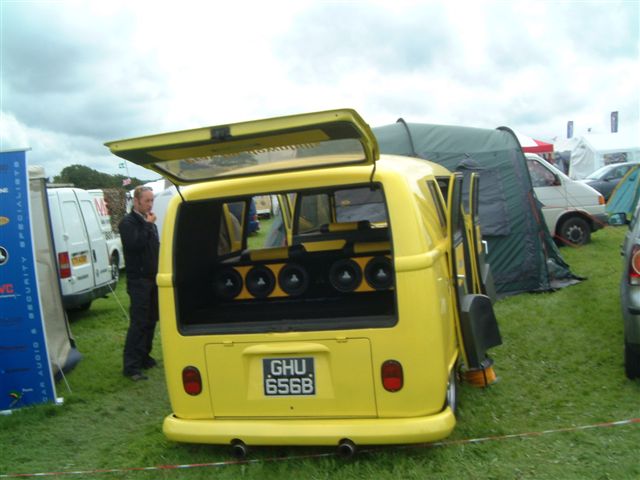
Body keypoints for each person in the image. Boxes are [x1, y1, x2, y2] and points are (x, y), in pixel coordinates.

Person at [119, 185, 160, 381]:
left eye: (152, 200)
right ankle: (131, 366)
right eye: (147, 201)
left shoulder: (148, 222)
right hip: (139, 280)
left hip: (152, 278)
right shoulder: (128, 223)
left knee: (151, 320)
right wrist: (148, 226)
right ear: (136, 201)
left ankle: (144, 356)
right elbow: (135, 244)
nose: (150, 204)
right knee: (139, 322)